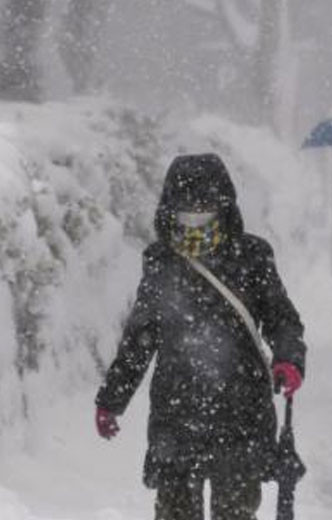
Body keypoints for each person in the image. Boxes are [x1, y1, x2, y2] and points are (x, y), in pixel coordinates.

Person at [94, 153, 307, 520]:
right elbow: (140, 338)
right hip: (177, 414)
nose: (195, 214)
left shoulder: (252, 256)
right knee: (175, 513)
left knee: (235, 513)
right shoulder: (161, 261)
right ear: (169, 206)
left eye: (204, 204)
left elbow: (281, 319)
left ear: (223, 205)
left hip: (241, 411)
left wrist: (289, 359)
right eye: (186, 205)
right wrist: (112, 399)